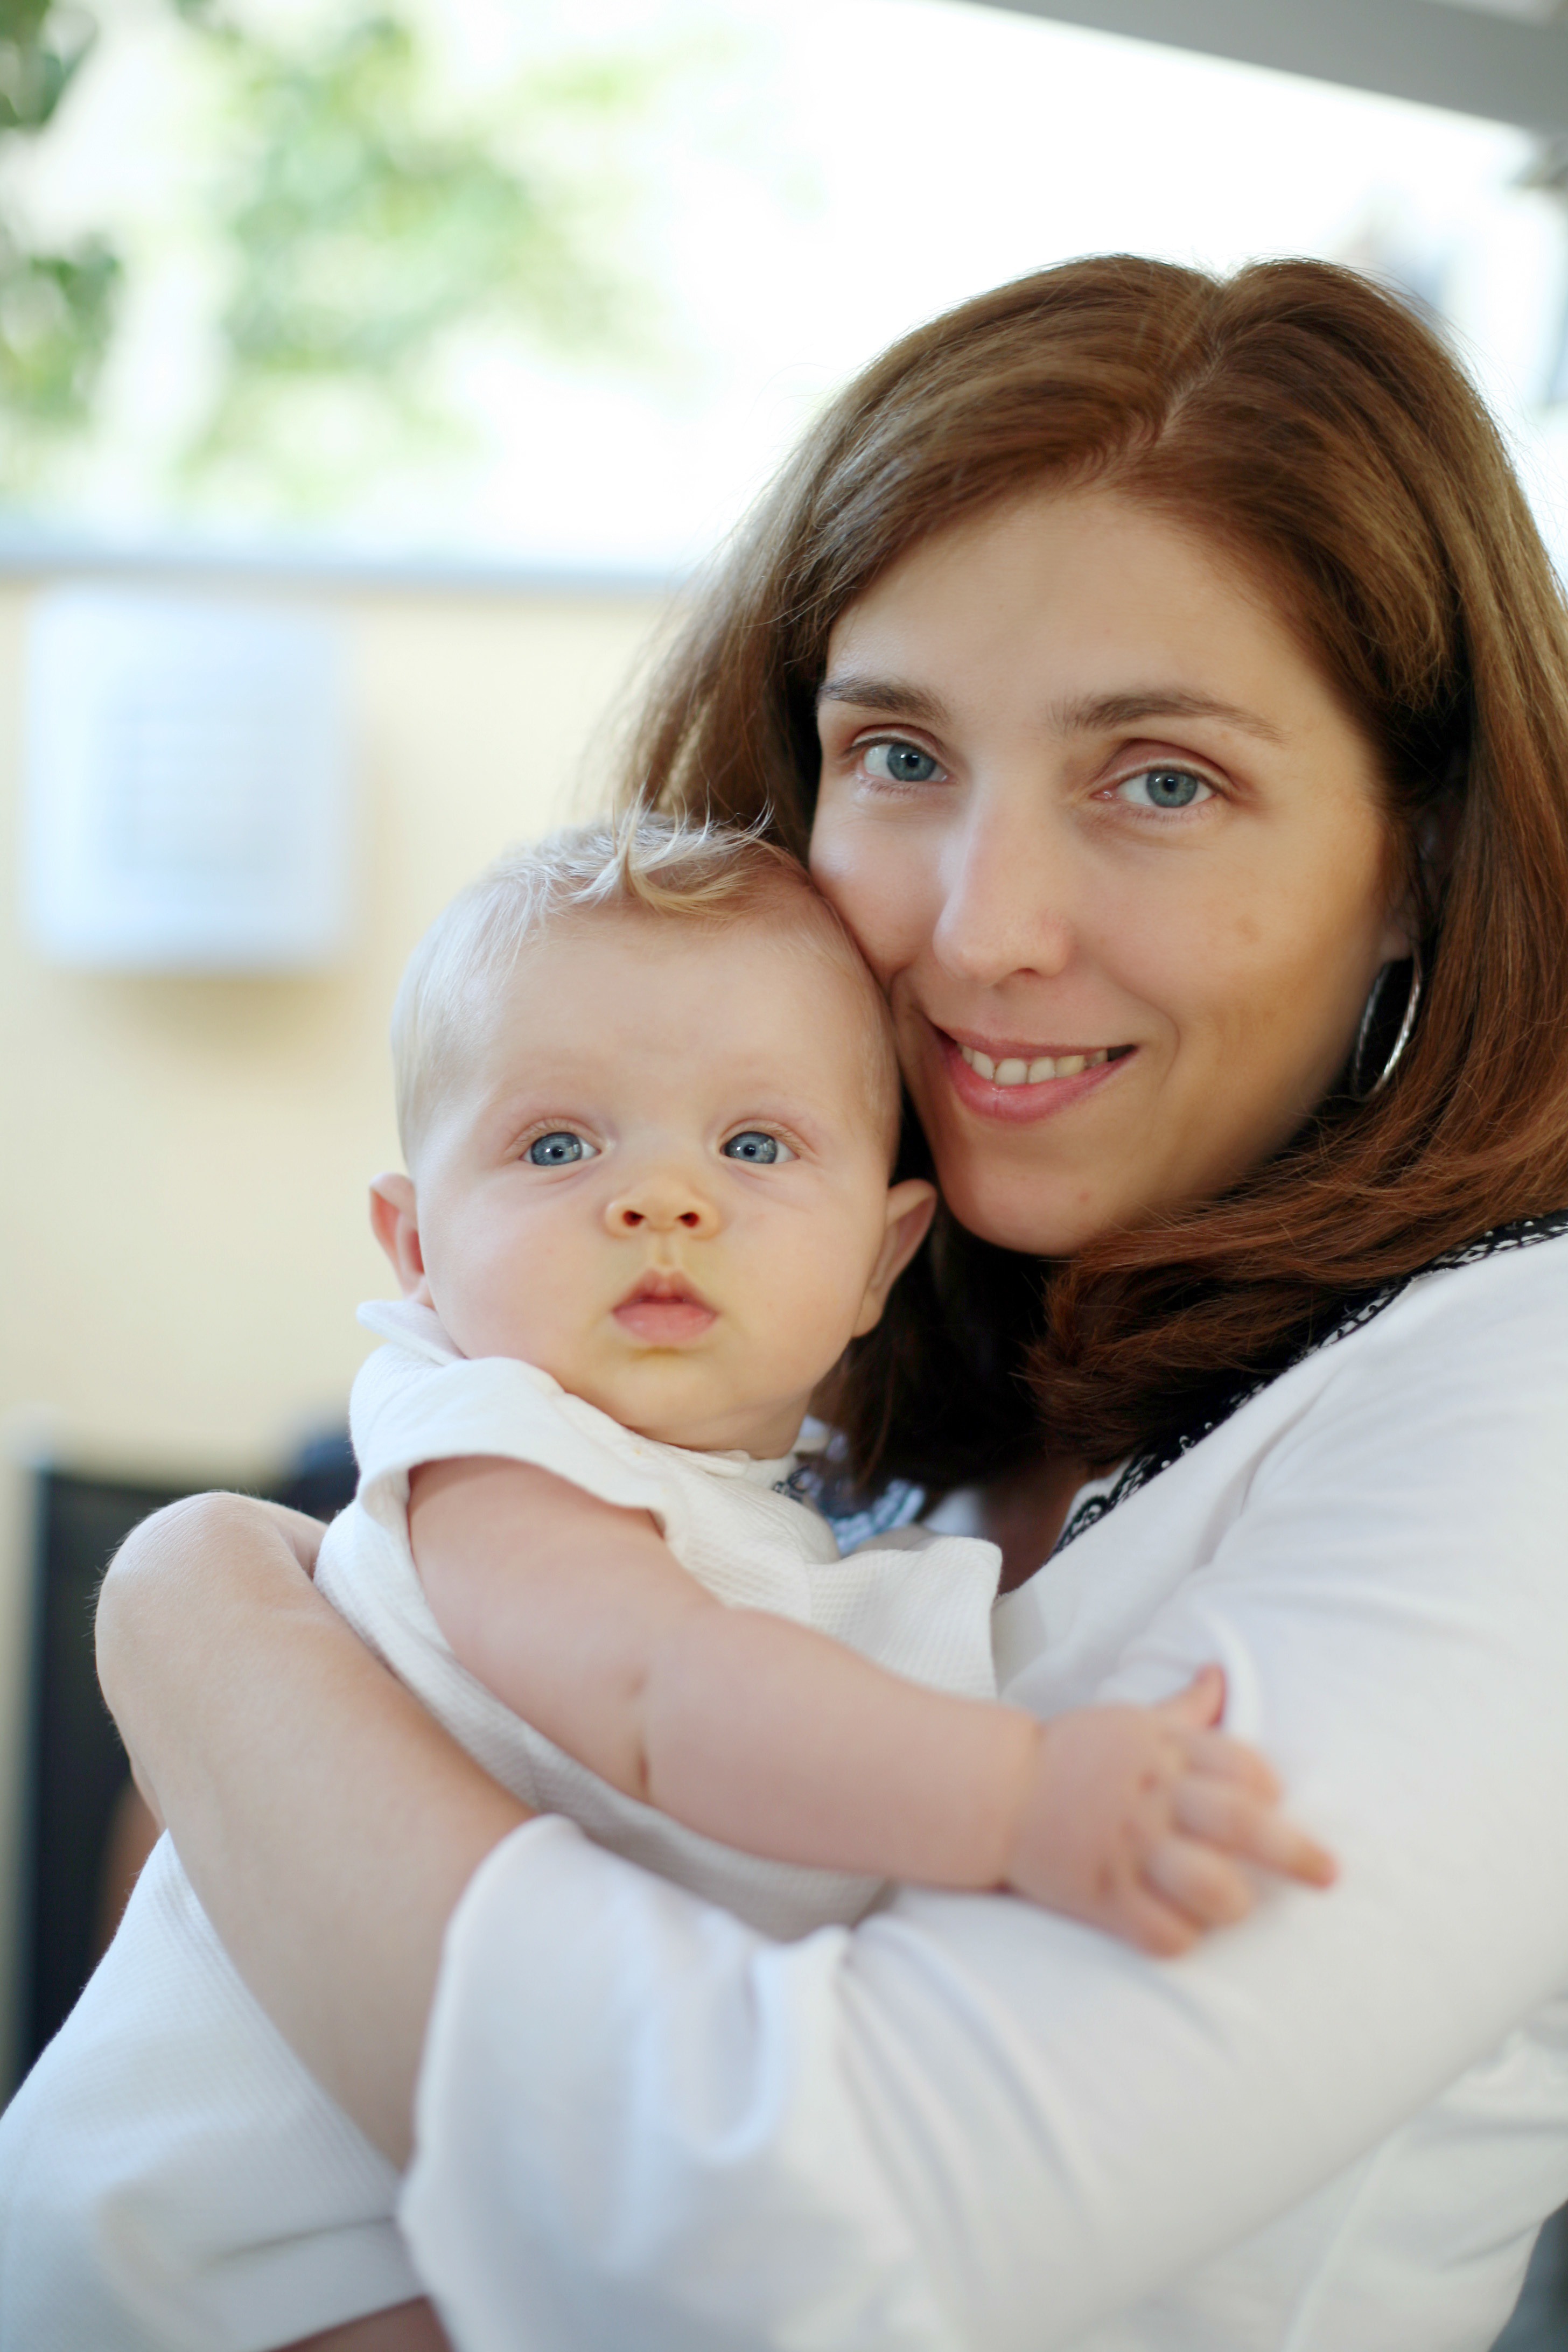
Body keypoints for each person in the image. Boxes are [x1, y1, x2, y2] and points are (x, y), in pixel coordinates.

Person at [67, 256, 1568, 2350]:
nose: (980, 929)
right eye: (895, 753)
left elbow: (751, 2255)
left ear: (1411, 851)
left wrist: (197, 1618)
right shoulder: (855, 1398)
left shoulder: (1525, 1400)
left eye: (1158, 779)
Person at [0, 817, 1329, 2352]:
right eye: (561, 1145)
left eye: (753, 1147)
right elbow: (660, 1693)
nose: (662, 1200)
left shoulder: (764, 1521)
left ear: (881, 1259)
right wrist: (1020, 1795)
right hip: (225, 2261)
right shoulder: (489, 1454)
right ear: (416, 1244)